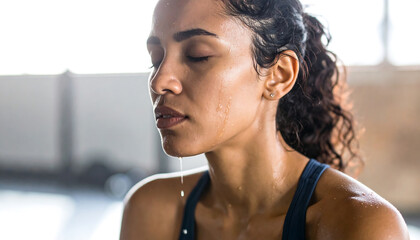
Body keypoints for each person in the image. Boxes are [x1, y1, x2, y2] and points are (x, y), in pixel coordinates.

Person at [120, 0, 410, 239]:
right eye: (156, 58)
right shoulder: (151, 210)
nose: (160, 81)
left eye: (198, 55)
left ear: (279, 75)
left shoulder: (360, 226)